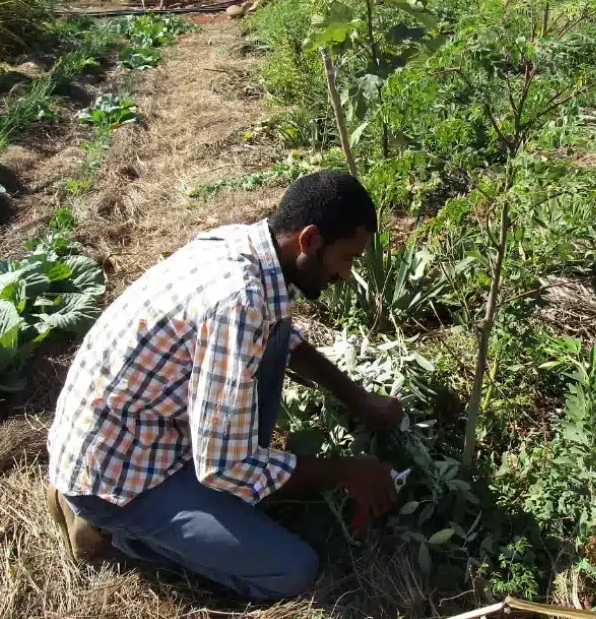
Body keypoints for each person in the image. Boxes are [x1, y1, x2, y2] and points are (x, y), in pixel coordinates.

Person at [46, 170, 403, 600]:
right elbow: (225, 468)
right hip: (117, 474)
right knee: (293, 571)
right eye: (345, 259)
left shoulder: (252, 247)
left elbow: (283, 339)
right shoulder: (238, 302)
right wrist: (347, 472)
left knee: (275, 335)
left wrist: (359, 399)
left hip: (144, 429)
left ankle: (209, 506)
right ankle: (113, 530)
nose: (346, 275)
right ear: (309, 240)